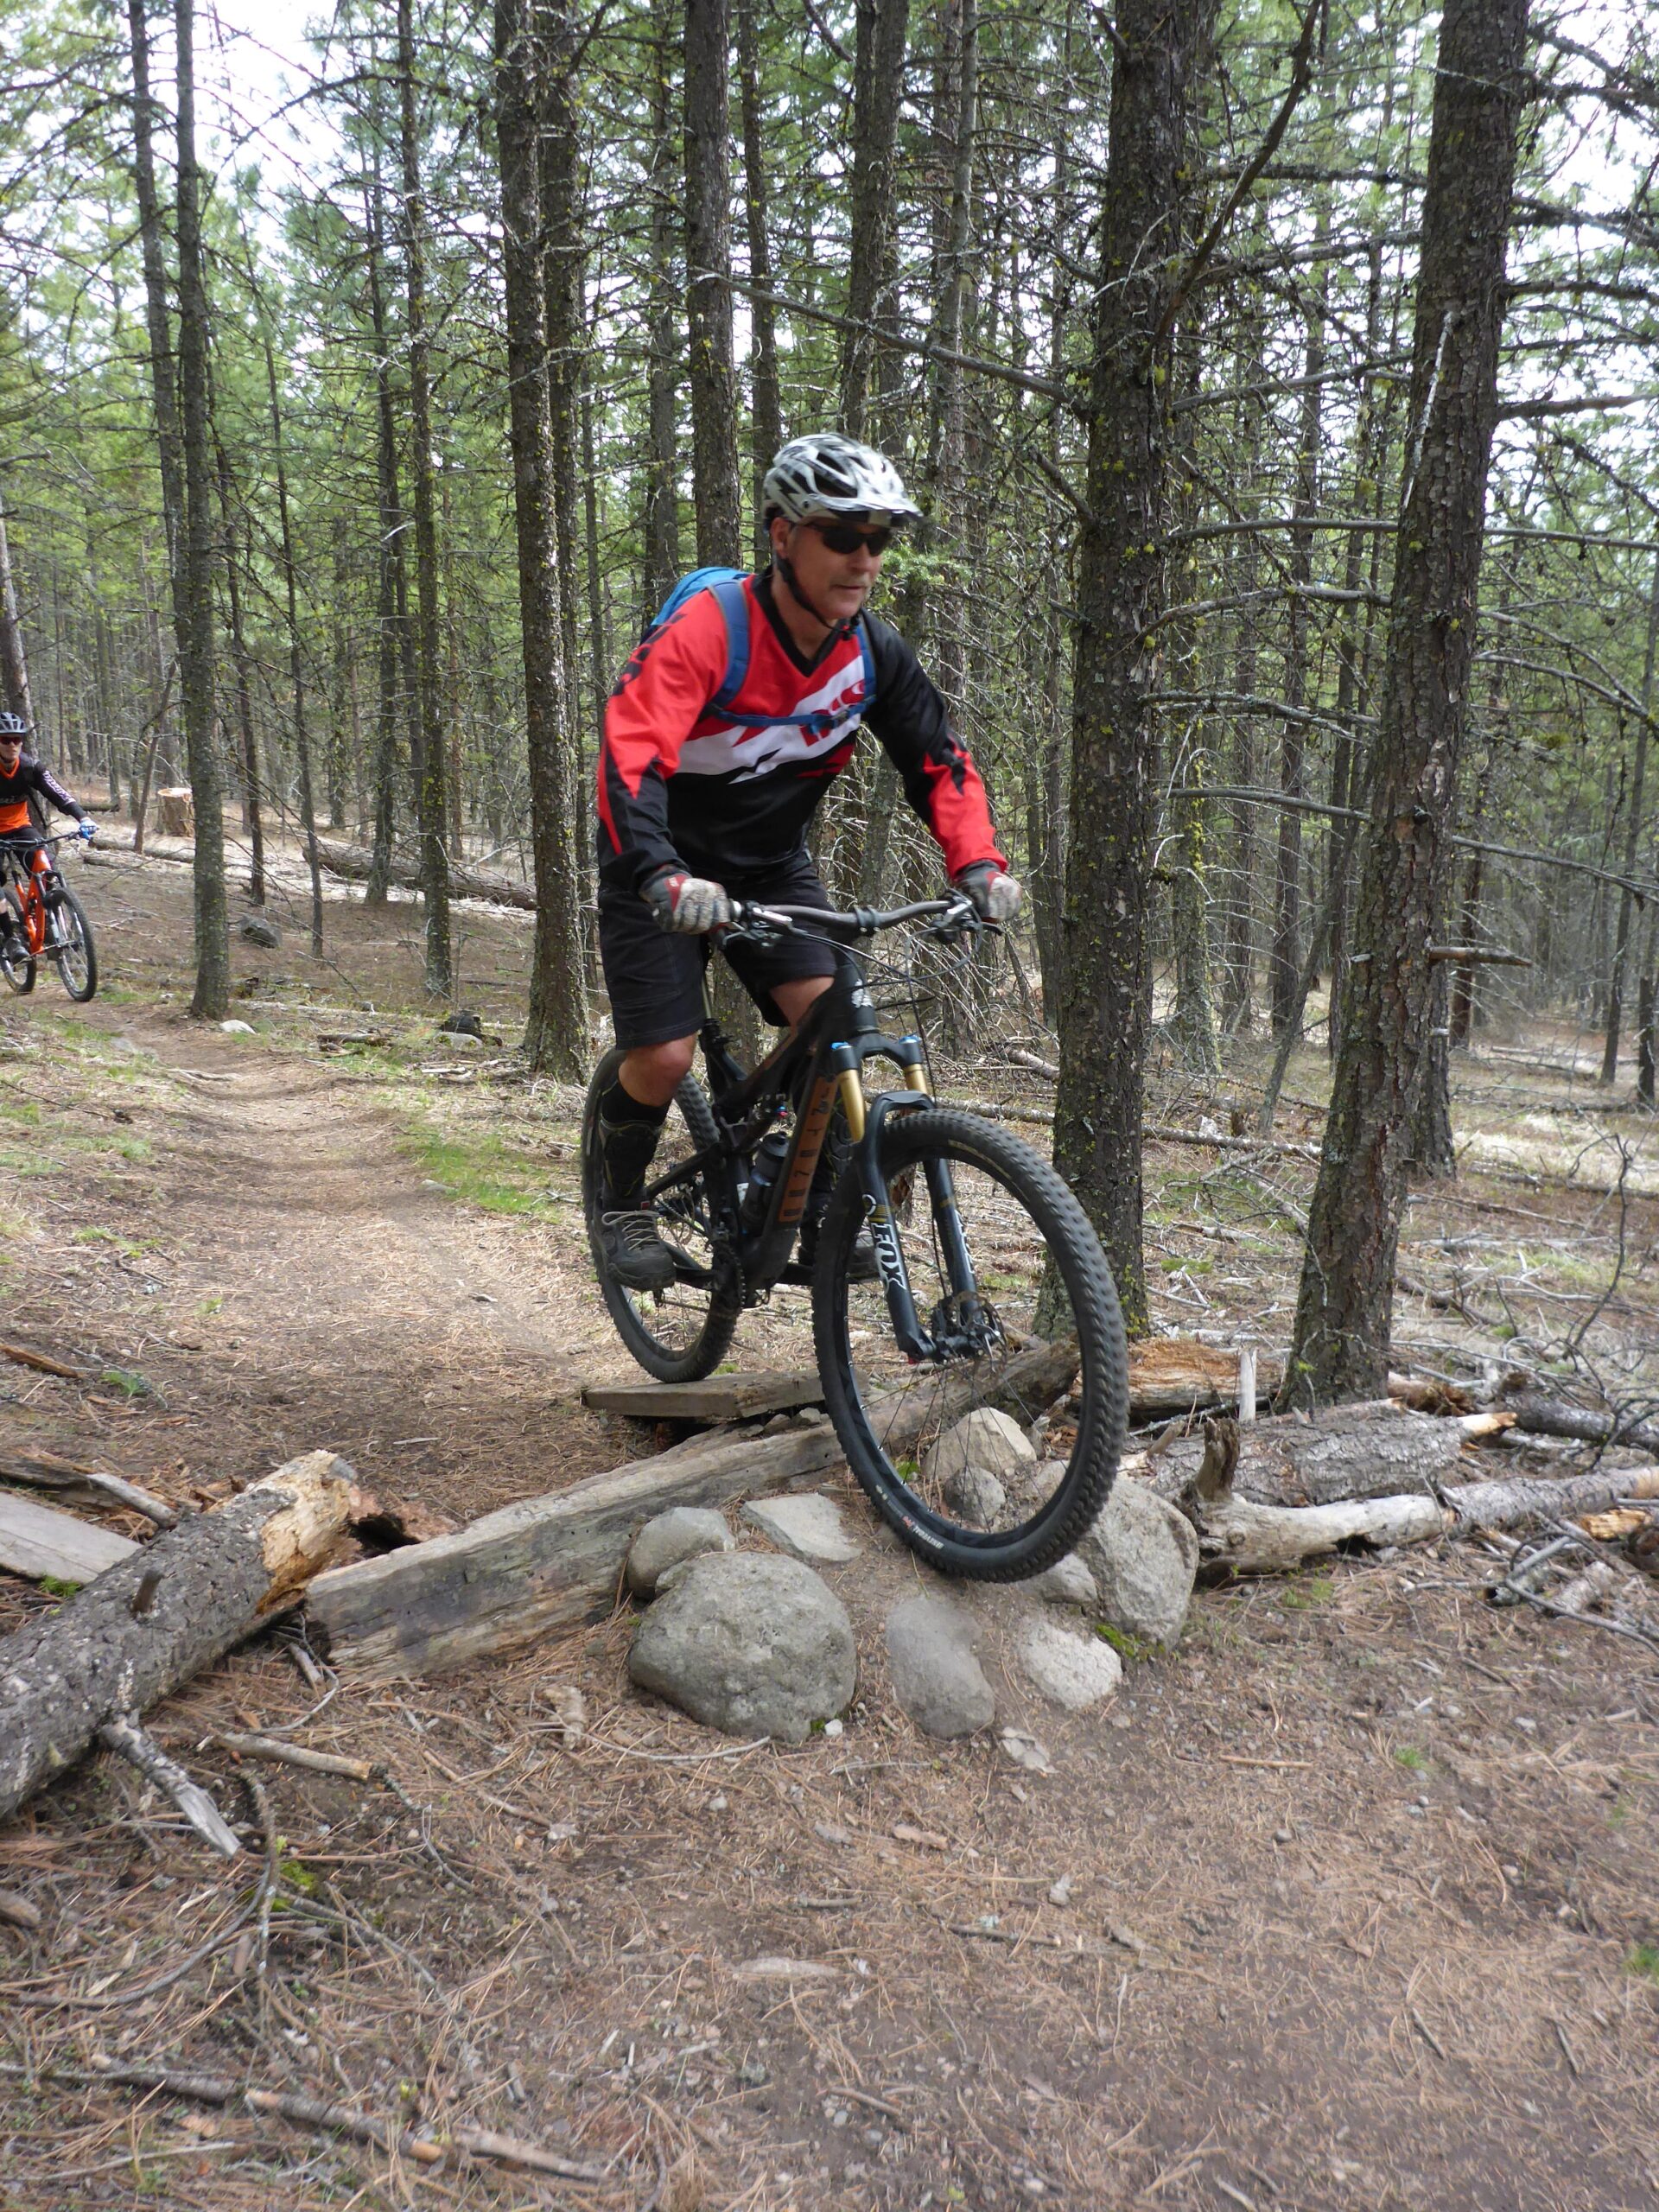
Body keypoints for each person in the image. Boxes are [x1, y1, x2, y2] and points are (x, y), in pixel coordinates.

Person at [593, 432, 1021, 1289]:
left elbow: (938, 758)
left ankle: (807, 1195)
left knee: (834, 1026)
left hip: (768, 862)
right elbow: (632, 755)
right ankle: (619, 1207)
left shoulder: (871, 655)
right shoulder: (710, 632)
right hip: (662, 859)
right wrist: (660, 874)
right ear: (784, 535)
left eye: (880, 540)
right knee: (667, 1056)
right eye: (842, 535)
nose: (863, 559)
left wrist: (976, 866)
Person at [0, 714, 94, 933]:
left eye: (17, 739)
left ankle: (52, 924)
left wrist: (83, 817)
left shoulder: (30, 767)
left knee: (46, 868)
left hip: (19, 827)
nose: (12, 745)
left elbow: (59, 794)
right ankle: (9, 938)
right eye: (5, 740)